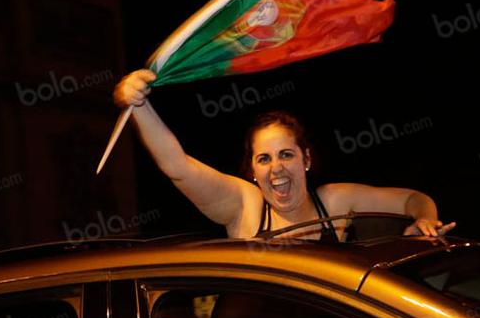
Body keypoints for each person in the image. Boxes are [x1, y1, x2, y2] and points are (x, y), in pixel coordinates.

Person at [113, 70, 456, 241]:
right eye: (264, 159)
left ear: (306, 159)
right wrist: (139, 105)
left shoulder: (334, 202)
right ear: (251, 169)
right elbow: (177, 166)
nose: (276, 168)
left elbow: (414, 198)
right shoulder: (245, 206)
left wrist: (425, 221)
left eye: (286, 155)